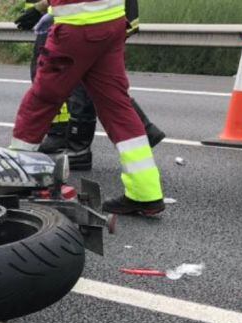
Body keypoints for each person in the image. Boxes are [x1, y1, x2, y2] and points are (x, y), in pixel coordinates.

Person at [9, 0, 165, 216]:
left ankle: (11, 177)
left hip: (77, 26)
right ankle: (146, 193)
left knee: (41, 101)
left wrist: (39, 8)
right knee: (117, 108)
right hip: (112, 21)